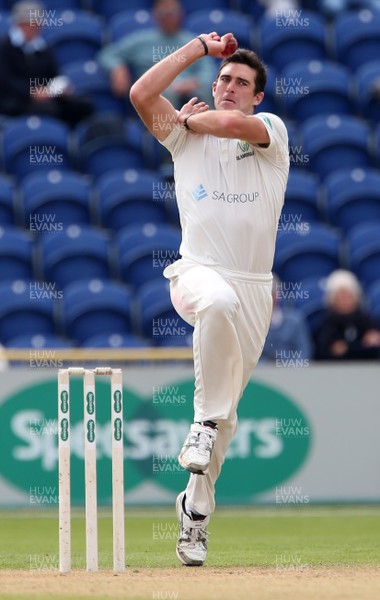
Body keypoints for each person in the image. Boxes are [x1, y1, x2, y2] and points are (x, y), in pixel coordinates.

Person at [130, 33, 289, 566]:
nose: (228, 88)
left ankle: (194, 516)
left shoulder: (270, 132)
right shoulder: (183, 138)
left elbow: (228, 125)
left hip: (254, 286)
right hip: (197, 274)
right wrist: (200, 48)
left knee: (227, 421)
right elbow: (140, 93)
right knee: (216, 305)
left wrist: (188, 121)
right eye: (223, 79)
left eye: (241, 83)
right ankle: (200, 422)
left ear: (257, 97)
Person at [98, 0, 216, 108]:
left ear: (181, 15)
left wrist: (195, 82)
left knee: (201, 94)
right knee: (165, 95)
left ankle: (210, 130)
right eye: (163, 13)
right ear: (155, 16)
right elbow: (109, 53)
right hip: (156, 88)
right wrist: (117, 68)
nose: (168, 17)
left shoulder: (193, 41)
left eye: (171, 13)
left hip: (191, 88)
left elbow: (208, 70)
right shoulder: (142, 40)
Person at [0, 0, 93, 127]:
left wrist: (61, 88)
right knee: (49, 110)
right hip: (16, 101)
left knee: (82, 105)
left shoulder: (43, 48)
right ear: (20, 24)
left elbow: (54, 75)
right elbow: (6, 80)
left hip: (46, 98)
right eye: (32, 23)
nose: (37, 27)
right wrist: (31, 92)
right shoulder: (5, 48)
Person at [315, 269, 380, 360]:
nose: (344, 301)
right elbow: (326, 351)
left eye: (348, 296)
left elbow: (373, 348)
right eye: (340, 297)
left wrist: (348, 348)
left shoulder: (367, 321)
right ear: (332, 300)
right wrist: (361, 346)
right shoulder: (326, 323)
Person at [260, 274, 313, 363]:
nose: (269, 299)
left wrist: (288, 367)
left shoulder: (295, 320)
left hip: (292, 371)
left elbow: (304, 352)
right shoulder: (255, 322)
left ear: (277, 295)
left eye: (272, 294)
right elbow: (251, 355)